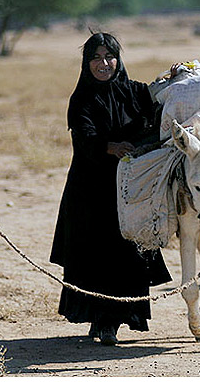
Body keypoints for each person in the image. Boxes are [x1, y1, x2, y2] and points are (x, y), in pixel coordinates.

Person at [50, 32, 173, 346]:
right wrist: (110, 146)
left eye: (109, 57)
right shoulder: (82, 98)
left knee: (128, 254)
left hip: (131, 188)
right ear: (86, 63)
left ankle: (117, 319)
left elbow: (156, 115)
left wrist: (175, 79)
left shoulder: (135, 92)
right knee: (97, 255)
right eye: (96, 58)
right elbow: (83, 137)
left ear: (118, 59)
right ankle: (103, 322)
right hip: (91, 189)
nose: (103, 64)